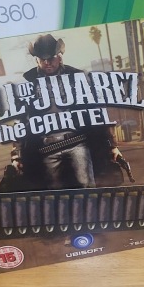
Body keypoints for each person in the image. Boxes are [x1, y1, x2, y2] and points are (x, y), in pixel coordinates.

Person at [17, 34, 123, 190]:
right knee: (53, 194)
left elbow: (95, 113)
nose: (47, 63)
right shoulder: (29, 85)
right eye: (42, 59)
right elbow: (22, 122)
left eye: (51, 58)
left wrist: (112, 145)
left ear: (59, 57)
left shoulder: (76, 77)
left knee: (86, 188)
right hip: (46, 147)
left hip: (77, 142)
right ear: (36, 60)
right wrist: (17, 155)